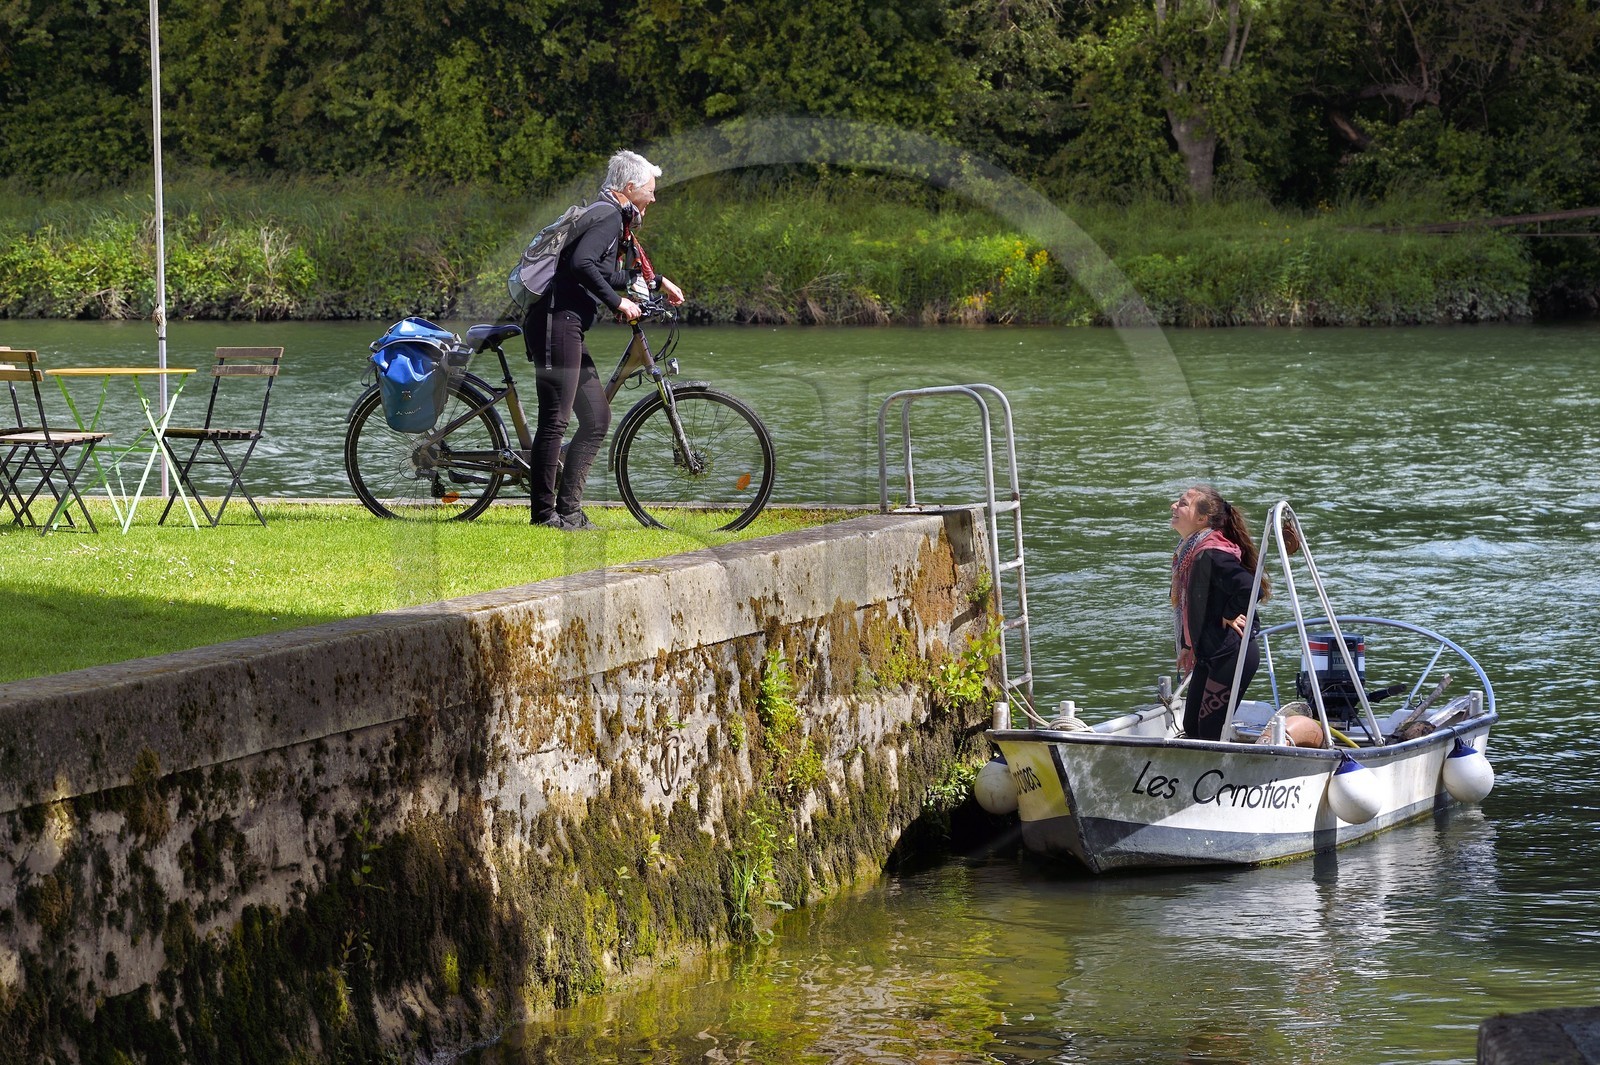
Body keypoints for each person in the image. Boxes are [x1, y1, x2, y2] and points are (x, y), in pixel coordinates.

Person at [523, 149, 684, 530]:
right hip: (554, 321)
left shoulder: (607, 214)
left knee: (596, 418)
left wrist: (655, 281)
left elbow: (597, 269)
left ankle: (570, 511)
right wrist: (618, 302)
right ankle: (545, 516)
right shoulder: (608, 216)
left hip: (567, 323)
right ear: (629, 187)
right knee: (555, 421)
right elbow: (581, 266)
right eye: (651, 189)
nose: (654, 198)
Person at [1169, 484, 1268, 741]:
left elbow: (1250, 587)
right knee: (1191, 726)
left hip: (1232, 654)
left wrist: (1231, 612)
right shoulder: (1191, 552)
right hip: (1209, 653)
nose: (1173, 507)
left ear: (1202, 519)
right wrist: (1187, 646)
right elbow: (1196, 605)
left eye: (1182, 504)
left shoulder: (1210, 553)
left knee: (1209, 733)